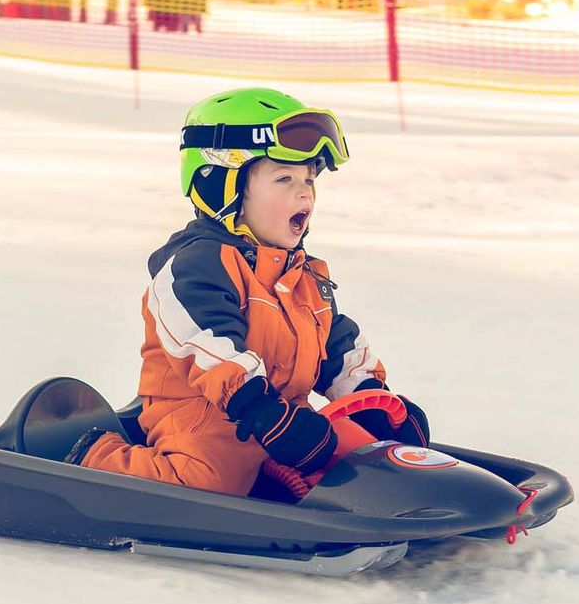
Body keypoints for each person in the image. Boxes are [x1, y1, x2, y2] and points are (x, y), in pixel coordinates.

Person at [69, 88, 429, 494]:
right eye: (284, 178)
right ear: (224, 186)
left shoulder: (302, 273)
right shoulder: (194, 267)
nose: (305, 192)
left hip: (284, 429)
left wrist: (372, 398)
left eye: (309, 178)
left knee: (354, 462)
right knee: (211, 481)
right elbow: (209, 348)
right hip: (203, 426)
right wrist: (260, 409)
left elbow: (336, 343)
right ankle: (92, 458)